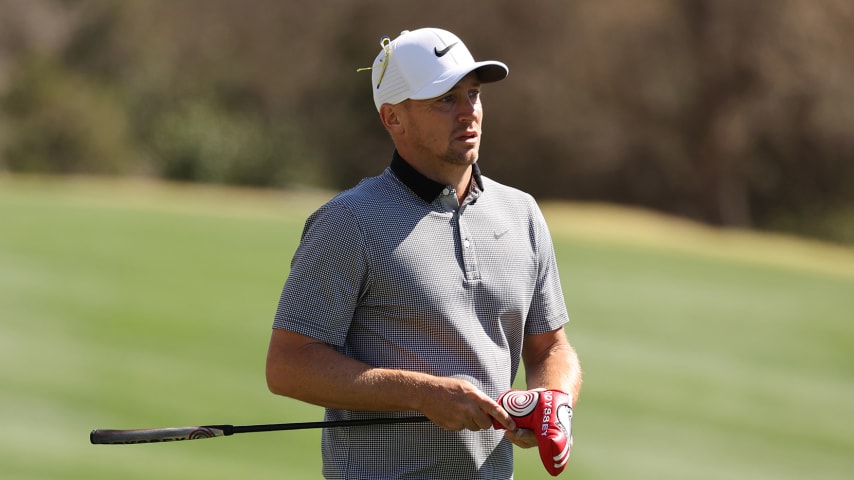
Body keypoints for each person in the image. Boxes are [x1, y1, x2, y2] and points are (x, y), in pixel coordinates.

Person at [266, 27, 582, 479]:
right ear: (393, 118)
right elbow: (288, 365)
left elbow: (551, 347)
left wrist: (554, 403)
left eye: (473, 94)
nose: (468, 112)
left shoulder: (522, 213)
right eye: (445, 100)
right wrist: (421, 393)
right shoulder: (348, 221)